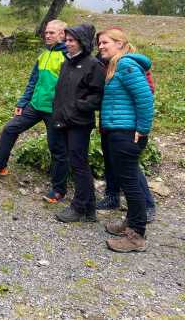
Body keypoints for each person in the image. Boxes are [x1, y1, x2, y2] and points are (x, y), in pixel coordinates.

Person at [0, 19, 70, 204]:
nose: (47, 35)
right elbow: (33, 81)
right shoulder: (44, 55)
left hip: (55, 110)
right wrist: (22, 102)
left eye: (52, 33)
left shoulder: (68, 57)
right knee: (10, 129)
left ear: (63, 35)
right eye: (46, 32)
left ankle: (59, 190)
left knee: (57, 149)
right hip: (35, 106)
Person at [98, 28, 154, 252]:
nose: (100, 46)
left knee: (130, 183)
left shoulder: (125, 65)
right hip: (118, 131)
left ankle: (136, 236)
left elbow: (145, 98)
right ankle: (130, 223)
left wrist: (142, 128)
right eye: (99, 43)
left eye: (105, 43)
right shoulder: (116, 65)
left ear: (120, 44)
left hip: (126, 133)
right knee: (127, 180)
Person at [52, 24, 105, 223]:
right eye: (66, 40)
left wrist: (77, 106)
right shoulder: (68, 63)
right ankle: (90, 208)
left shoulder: (93, 65)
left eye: (71, 41)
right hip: (63, 120)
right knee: (78, 163)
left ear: (82, 42)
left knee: (79, 164)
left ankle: (79, 207)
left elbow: (98, 97)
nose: (67, 44)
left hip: (79, 123)